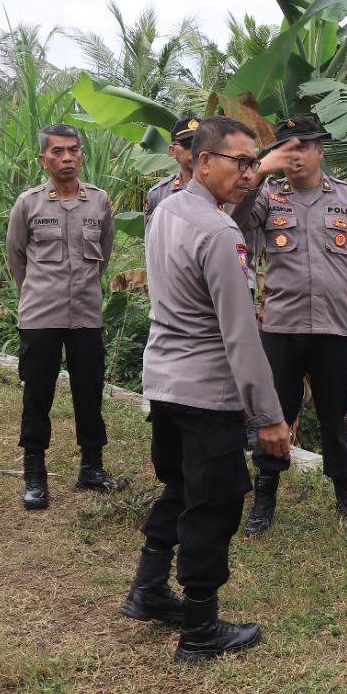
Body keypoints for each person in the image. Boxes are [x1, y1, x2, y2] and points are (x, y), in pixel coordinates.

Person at [119, 115, 293, 662]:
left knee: (178, 487)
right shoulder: (220, 234)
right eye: (240, 162)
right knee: (212, 504)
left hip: (165, 382)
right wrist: (268, 415)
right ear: (204, 159)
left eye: (254, 163)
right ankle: (199, 627)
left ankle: (148, 589)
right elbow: (241, 336)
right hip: (206, 391)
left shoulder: (166, 210)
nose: (250, 174)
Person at [231, 115, 347, 536]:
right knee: (273, 413)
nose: (295, 155)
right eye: (287, 148)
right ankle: (264, 497)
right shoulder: (267, 195)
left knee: (334, 414)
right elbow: (235, 221)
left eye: (303, 146)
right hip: (281, 328)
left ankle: (346, 493)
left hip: (333, 329)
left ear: (320, 150)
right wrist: (261, 169)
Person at [5, 123, 121, 510]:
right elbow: (16, 257)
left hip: (86, 314)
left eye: (73, 150)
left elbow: (103, 253)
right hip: (41, 315)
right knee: (38, 393)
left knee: (88, 391)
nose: (67, 157)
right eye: (57, 151)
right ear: (43, 159)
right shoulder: (29, 203)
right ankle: (34, 473)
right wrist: (41, 292)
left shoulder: (99, 202)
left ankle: (92, 467)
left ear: (81, 155)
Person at [143, 116, 200, 230]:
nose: (195, 151)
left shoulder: (224, 191)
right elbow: (152, 239)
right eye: (188, 145)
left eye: (200, 143)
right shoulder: (158, 194)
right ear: (173, 151)